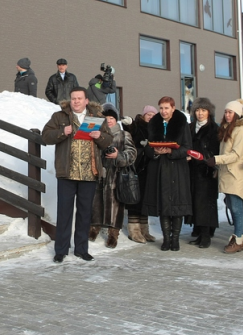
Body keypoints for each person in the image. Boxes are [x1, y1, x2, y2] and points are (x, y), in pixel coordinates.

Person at [43, 87, 113, 262]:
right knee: (64, 213)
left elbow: (109, 139)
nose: (76, 101)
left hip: (89, 173)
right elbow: (45, 136)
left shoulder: (97, 118)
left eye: (79, 98)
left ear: (86, 100)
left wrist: (99, 136)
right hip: (67, 173)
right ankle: (61, 250)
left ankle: (81, 249)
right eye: (73, 98)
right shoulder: (59, 117)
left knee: (84, 213)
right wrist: (62, 132)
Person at [142, 97, 192, 251]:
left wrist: (171, 151)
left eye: (166, 108)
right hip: (160, 169)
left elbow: (187, 148)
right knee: (163, 204)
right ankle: (166, 239)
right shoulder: (154, 123)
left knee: (177, 205)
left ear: (173, 108)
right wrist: (154, 151)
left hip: (177, 169)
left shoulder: (182, 124)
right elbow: (148, 147)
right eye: (161, 108)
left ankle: (175, 239)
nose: (163, 111)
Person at [205, 100, 243, 254]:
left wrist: (216, 160)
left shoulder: (242, 131)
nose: (227, 115)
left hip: (235, 173)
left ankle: (238, 238)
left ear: (237, 114)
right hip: (227, 173)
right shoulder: (227, 129)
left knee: (237, 208)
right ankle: (241, 238)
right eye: (226, 112)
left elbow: (236, 154)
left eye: (230, 112)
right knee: (232, 206)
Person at [89, 104, 137, 248]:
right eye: (106, 118)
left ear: (116, 119)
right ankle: (94, 228)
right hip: (99, 173)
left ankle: (113, 234)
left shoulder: (123, 135)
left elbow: (132, 153)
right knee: (95, 203)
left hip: (115, 175)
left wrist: (118, 156)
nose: (109, 120)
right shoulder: (97, 133)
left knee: (114, 205)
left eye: (111, 118)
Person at [187, 98, 220, 249]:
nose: (200, 113)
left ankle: (206, 235)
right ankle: (199, 233)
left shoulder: (214, 129)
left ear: (209, 112)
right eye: (198, 110)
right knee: (195, 202)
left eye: (203, 110)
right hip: (192, 170)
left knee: (205, 204)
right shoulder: (190, 127)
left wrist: (201, 155)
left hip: (206, 170)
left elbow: (215, 150)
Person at [123, 105, 158, 243]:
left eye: (153, 115)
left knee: (146, 200)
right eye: (148, 114)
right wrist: (129, 124)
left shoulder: (156, 128)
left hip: (150, 169)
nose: (150, 116)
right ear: (144, 115)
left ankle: (144, 230)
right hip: (137, 168)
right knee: (134, 198)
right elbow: (131, 130)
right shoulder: (137, 125)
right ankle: (134, 230)